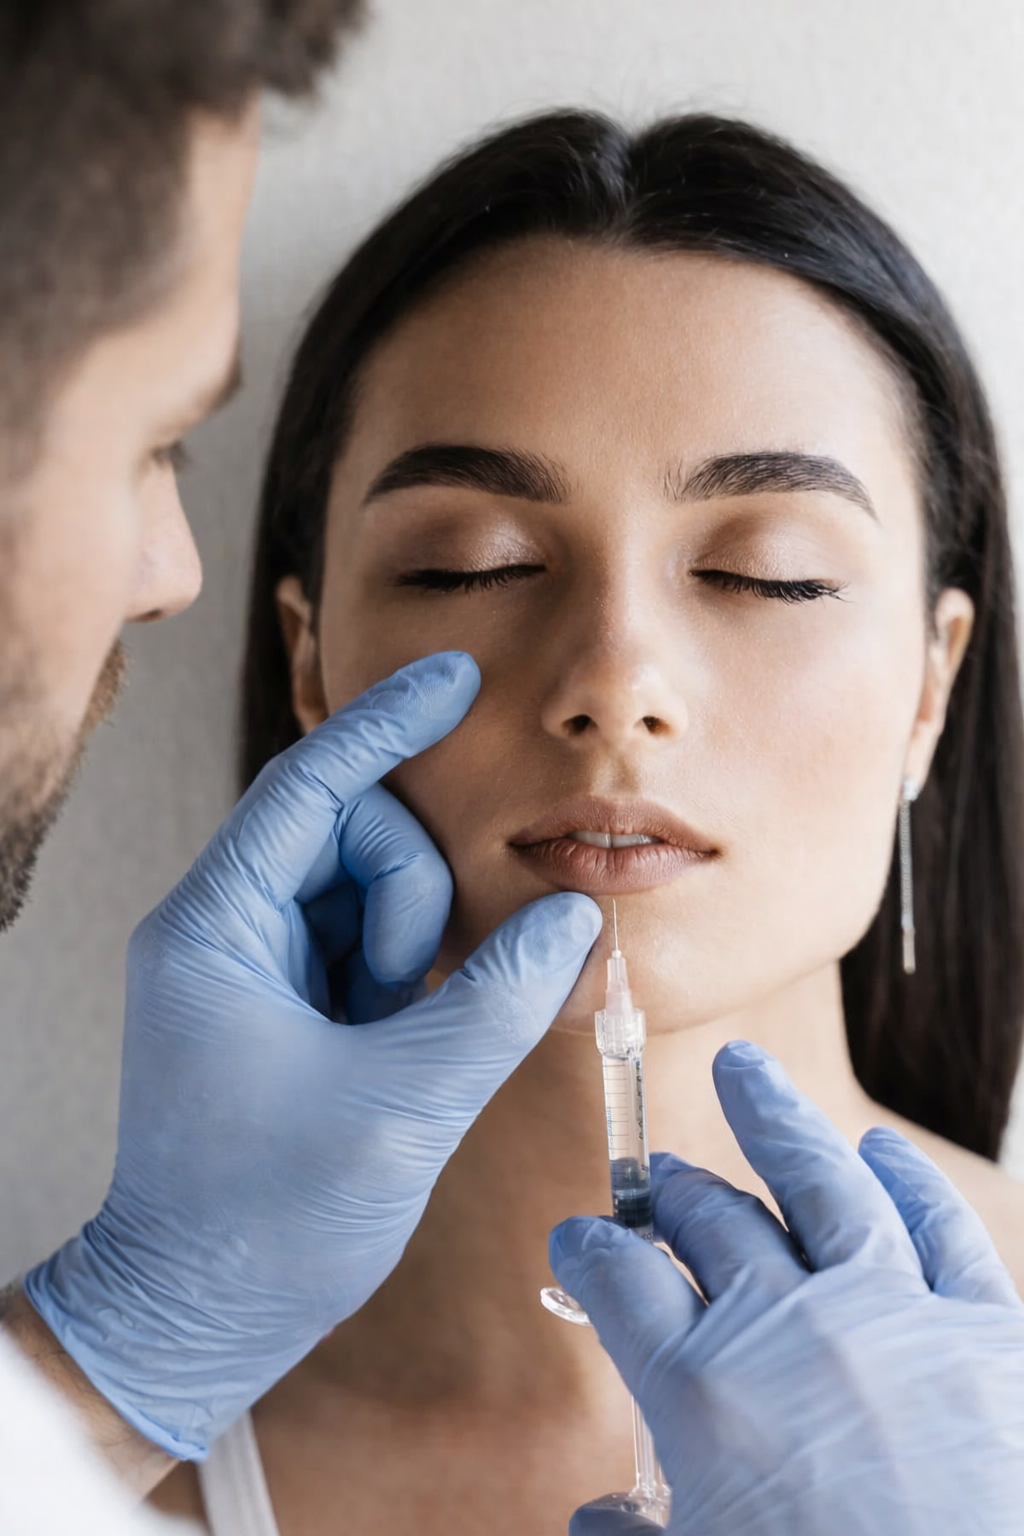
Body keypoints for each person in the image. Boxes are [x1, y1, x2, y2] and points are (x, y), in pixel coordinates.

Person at [0, 3, 1020, 1528]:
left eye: (770, 577)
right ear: (309, 663)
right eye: (470, 565)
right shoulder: (84, 1445)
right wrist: (122, 1351)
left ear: (931, 687)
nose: (615, 680)